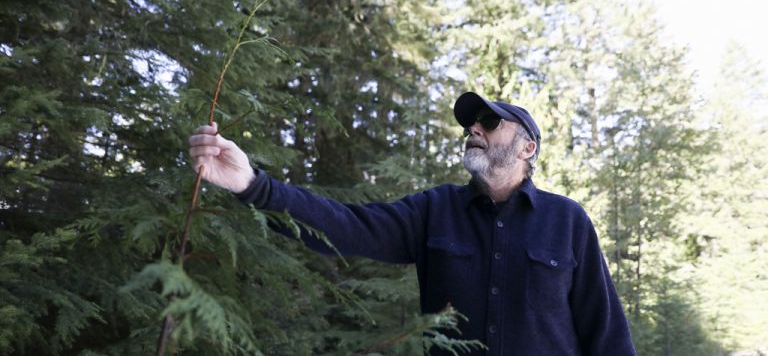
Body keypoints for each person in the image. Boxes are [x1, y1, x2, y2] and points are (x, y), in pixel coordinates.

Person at [188, 92, 638, 356]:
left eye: (488, 122)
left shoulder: (568, 221)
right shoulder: (433, 211)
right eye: (469, 124)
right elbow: (345, 226)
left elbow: (607, 333)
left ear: (527, 148)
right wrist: (252, 185)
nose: (473, 130)